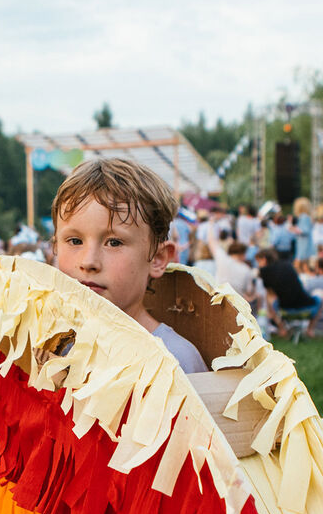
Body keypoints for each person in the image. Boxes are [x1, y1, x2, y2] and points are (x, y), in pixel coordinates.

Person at [51, 157, 207, 373]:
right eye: (75, 241)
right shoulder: (42, 350)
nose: (88, 262)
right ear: (55, 248)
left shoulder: (175, 362)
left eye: (114, 242)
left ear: (158, 259)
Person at [254, 248, 320, 339]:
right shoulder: (287, 264)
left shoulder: (264, 272)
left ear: (264, 259)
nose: (258, 264)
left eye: (258, 261)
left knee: (268, 298)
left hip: (284, 308)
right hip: (305, 304)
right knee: (319, 299)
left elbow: (270, 294)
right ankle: (310, 330)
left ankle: (282, 329)